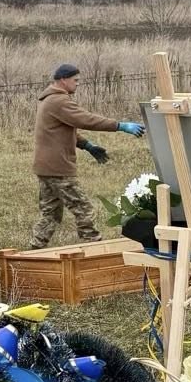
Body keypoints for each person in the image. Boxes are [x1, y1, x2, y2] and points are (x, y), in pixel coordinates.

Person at [29, 64, 144, 249]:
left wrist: (87, 145)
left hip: (45, 166)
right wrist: (119, 125)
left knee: (50, 213)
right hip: (58, 167)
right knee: (83, 208)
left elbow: (63, 129)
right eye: (75, 80)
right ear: (63, 80)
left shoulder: (48, 100)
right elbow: (85, 119)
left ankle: (34, 249)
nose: (77, 84)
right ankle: (94, 247)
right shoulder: (59, 101)